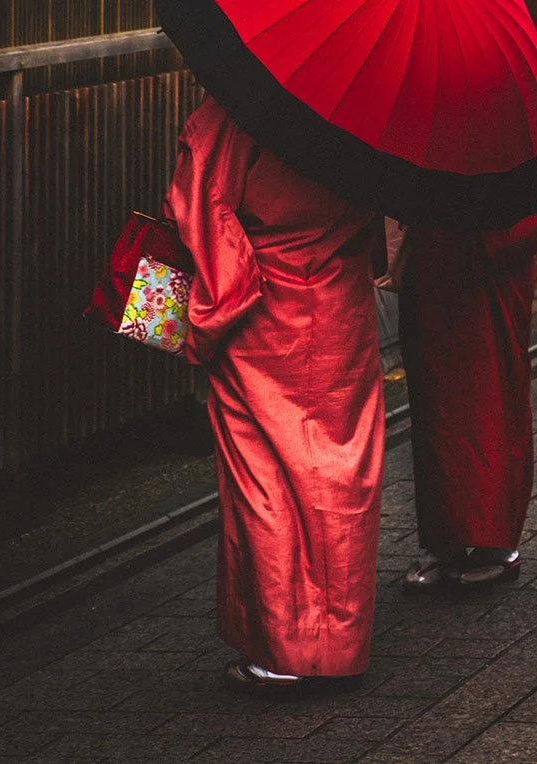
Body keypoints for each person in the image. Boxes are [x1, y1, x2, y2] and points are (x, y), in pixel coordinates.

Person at [163, 94, 385, 692]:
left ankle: (285, 650)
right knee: (342, 469)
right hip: (339, 302)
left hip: (264, 313)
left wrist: (206, 322)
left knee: (266, 475)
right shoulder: (373, 104)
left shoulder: (238, 109)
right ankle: (339, 642)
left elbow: (200, 210)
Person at [396, 30, 537, 588]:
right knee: (440, 396)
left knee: (484, 388)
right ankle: (446, 537)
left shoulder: (513, 50)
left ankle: (489, 537)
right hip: (444, 239)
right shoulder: (506, 42)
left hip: (482, 225)